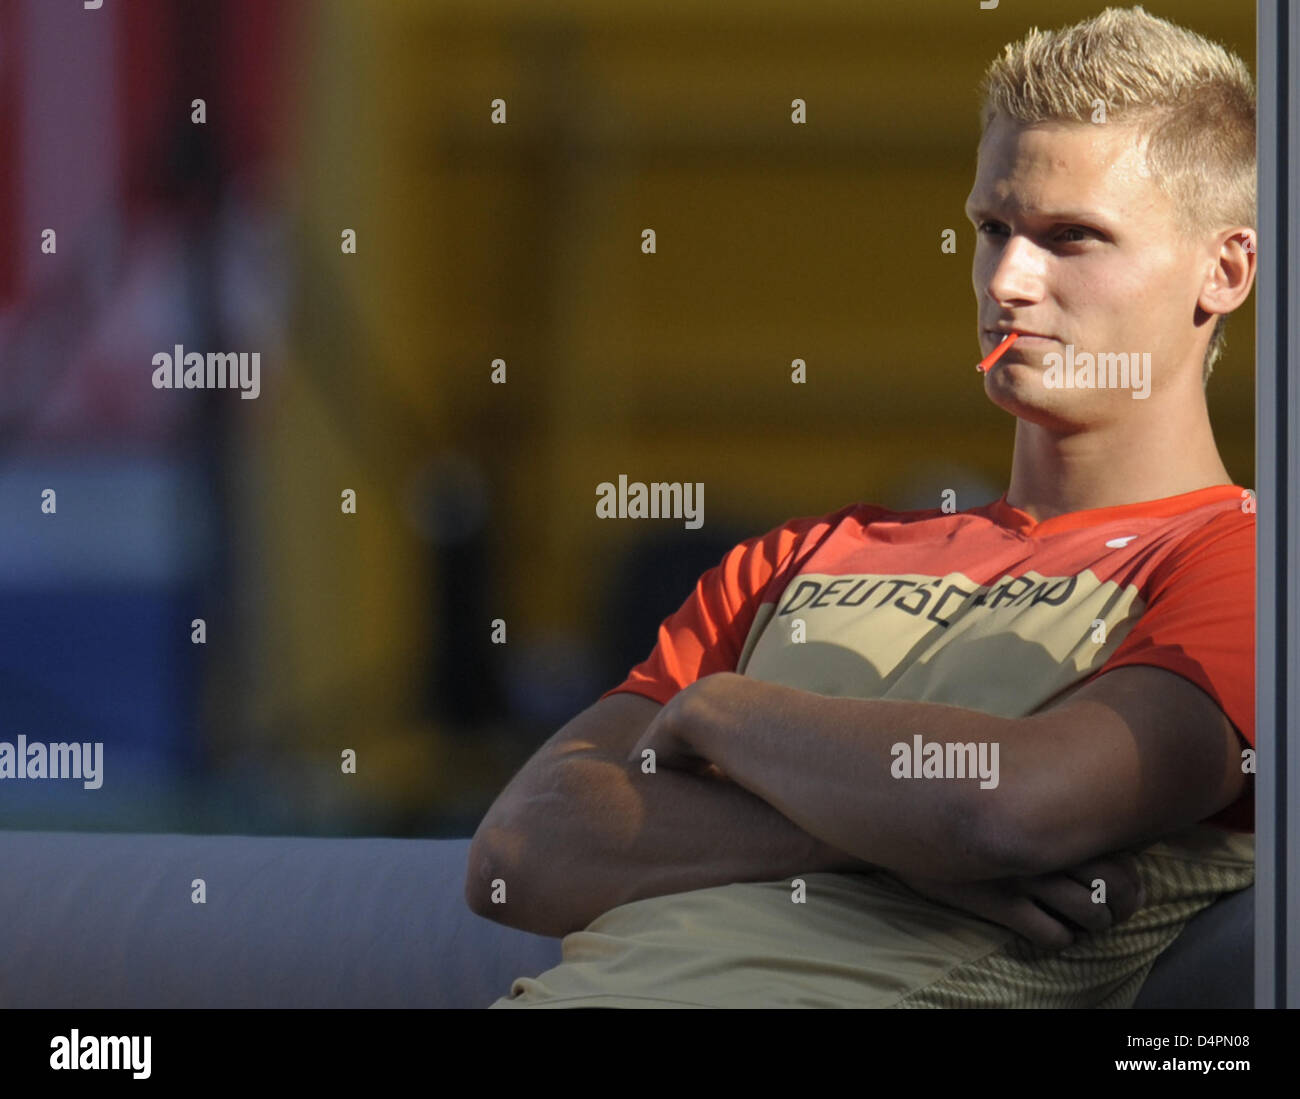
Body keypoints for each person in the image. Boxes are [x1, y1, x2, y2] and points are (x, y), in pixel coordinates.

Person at [467, 5, 1257, 1008]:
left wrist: (718, 712)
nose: (1008, 280)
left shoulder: (1243, 561)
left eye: (1072, 239)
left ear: (1223, 270)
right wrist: (866, 835)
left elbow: (1006, 809)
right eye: (992, 229)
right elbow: (518, 847)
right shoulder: (802, 555)